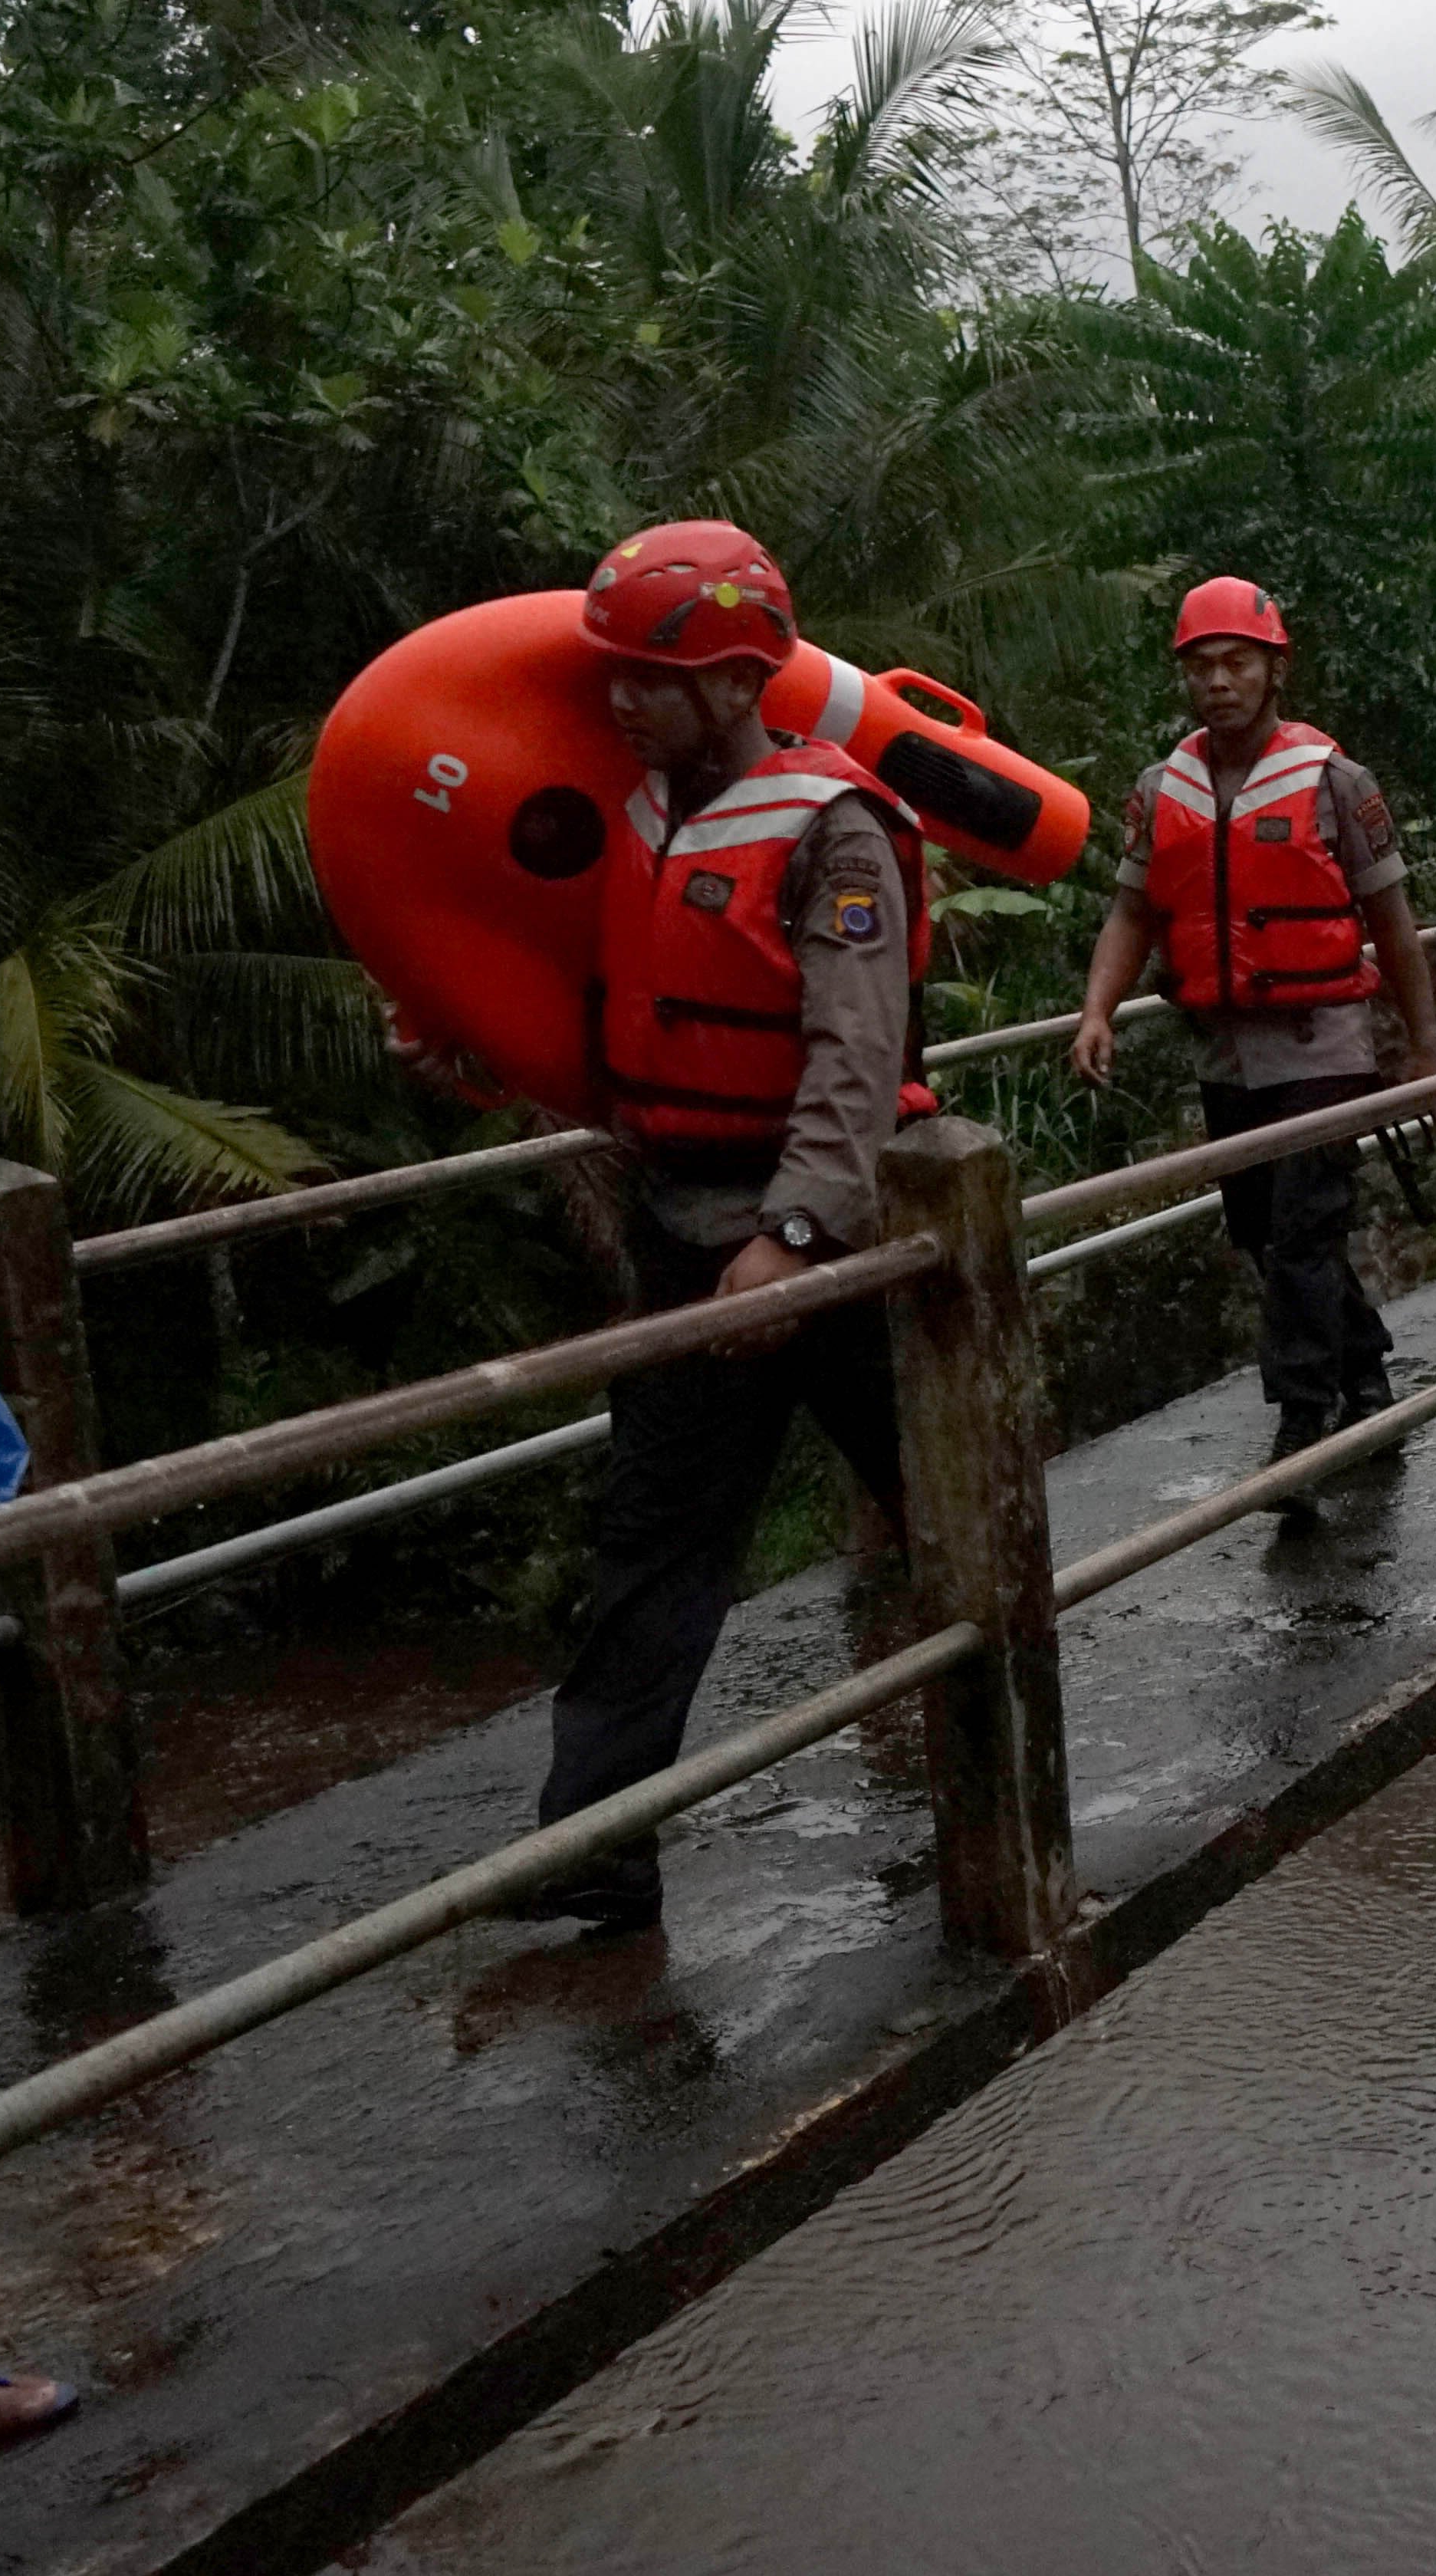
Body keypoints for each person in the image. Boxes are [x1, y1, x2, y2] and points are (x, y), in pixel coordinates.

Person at [522, 520, 928, 1933]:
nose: (621, 700)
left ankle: (1009, 1757)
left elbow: (856, 1057)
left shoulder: (836, 827)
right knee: (651, 1537)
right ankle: (593, 1848)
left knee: (941, 1509)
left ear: (739, 678)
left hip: (841, 1248)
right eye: (615, 673)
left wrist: (799, 1239)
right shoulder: (639, 816)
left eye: (651, 675)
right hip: (688, 1237)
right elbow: (621, 1027)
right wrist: (466, 1052)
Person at [1069, 577, 1436, 1509]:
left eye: (1236, 662)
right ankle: (1365, 1377)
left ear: (1274, 669)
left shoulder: (1335, 782)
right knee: (1263, 1236)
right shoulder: (1163, 790)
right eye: (1201, 667)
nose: (1218, 682)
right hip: (1226, 1051)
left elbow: (1393, 922)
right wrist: (1096, 1011)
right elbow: (1132, 910)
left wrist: (1427, 1051)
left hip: (1322, 1043)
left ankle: (1300, 1427)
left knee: (1301, 1232)